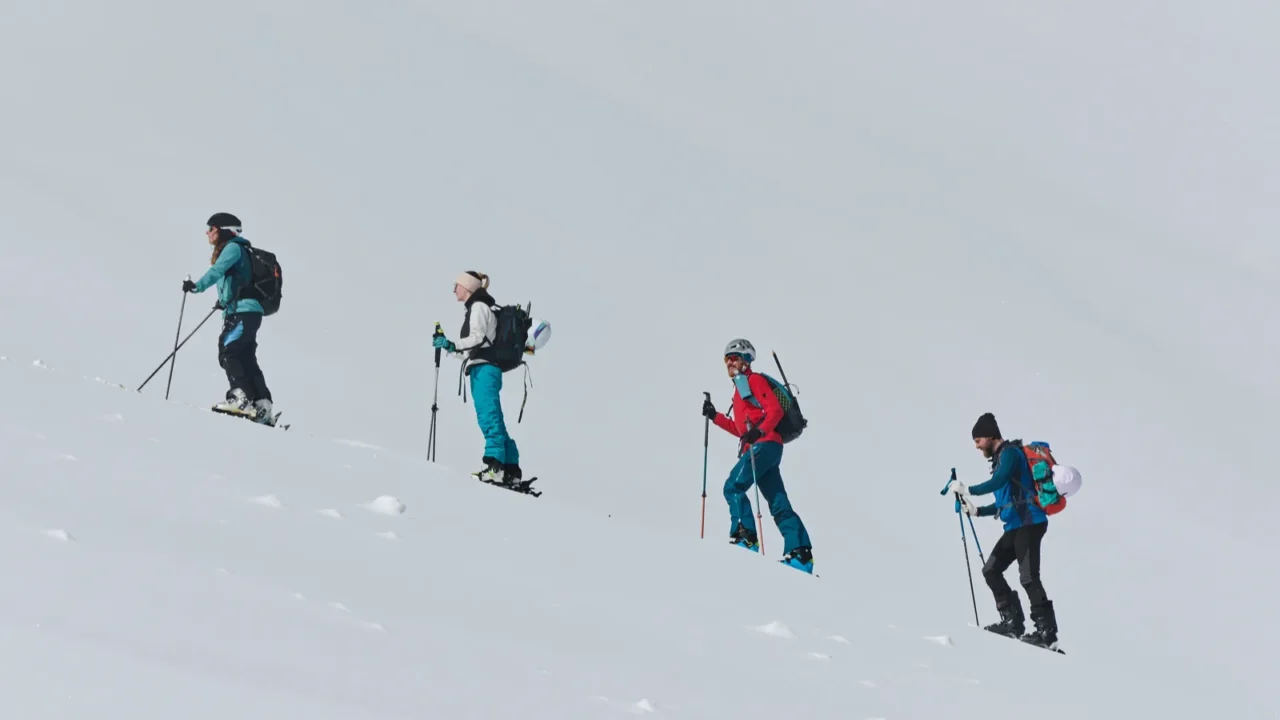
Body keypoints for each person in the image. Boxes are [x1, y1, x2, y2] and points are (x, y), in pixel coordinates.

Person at [702, 338, 814, 573]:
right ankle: (800, 553)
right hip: (763, 447)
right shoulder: (740, 389)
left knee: (732, 487)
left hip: (763, 446)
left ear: (746, 360)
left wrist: (759, 431)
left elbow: (774, 410)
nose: (730, 362)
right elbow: (741, 431)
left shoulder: (754, 380)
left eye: (734, 357)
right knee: (777, 502)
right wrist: (715, 416)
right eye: (726, 358)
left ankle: (746, 537)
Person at [952, 412, 1060, 649]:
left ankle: (1046, 633)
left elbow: (999, 482)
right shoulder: (1001, 459)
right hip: (1015, 526)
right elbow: (1005, 502)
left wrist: (967, 488)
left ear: (990, 436)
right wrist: (977, 511)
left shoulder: (1010, 453)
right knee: (991, 570)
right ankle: (1012, 622)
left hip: (1030, 523)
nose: (977, 446)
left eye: (978, 440)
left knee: (1028, 577)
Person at [182, 212, 276, 425]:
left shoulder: (232, 247)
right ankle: (262, 406)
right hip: (248, 311)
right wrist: (224, 301)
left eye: (211, 227)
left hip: (242, 312)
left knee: (228, 350)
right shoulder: (240, 249)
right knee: (245, 357)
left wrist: (197, 286)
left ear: (224, 230)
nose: (207, 232)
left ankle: (240, 398)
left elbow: (217, 271)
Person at [432, 271, 522, 484]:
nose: (454, 289)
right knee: (493, 417)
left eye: (457, 285)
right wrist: (448, 345)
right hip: (482, 368)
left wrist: (452, 343)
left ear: (468, 287)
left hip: (485, 370)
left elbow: (478, 339)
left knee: (488, 417)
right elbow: (469, 351)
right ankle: (510, 468)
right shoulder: (476, 308)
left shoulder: (479, 307)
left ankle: (495, 467)